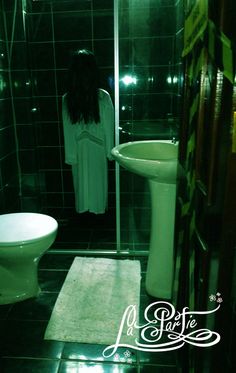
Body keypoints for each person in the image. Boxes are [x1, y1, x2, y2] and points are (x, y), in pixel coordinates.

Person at [62, 49, 114, 214]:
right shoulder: (102, 96)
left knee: (81, 183)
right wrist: (109, 152)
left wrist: (71, 155)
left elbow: (68, 130)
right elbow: (108, 127)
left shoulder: (67, 99)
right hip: (98, 148)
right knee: (98, 183)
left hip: (78, 148)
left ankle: (84, 214)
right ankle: (98, 214)